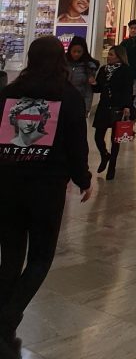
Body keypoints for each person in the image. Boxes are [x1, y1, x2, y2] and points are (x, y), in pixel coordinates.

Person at [0, 36, 91, 358]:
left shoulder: (9, 93)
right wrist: (83, 179)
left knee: (10, 257)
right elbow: (77, 144)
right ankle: (6, 321)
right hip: (46, 188)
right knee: (40, 258)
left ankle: (4, 326)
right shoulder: (68, 96)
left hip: (7, 184)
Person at [92, 45, 134, 181]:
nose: (108, 57)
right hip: (104, 106)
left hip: (118, 107)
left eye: (111, 55)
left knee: (115, 140)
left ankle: (112, 167)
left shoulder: (125, 70)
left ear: (119, 57)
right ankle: (105, 155)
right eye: (108, 54)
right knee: (98, 136)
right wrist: (93, 83)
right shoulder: (103, 70)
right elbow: (98, 89)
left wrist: (127, 106)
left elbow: (128, 90)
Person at [65, 36, 99, 115]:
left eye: (79, 52)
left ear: (84, 52)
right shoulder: (63, 64)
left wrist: (87, 108)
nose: (76, 54)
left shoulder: (89, 67)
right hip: (64, 101)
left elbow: (88, 90)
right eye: (74, 51)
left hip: (79, 102)